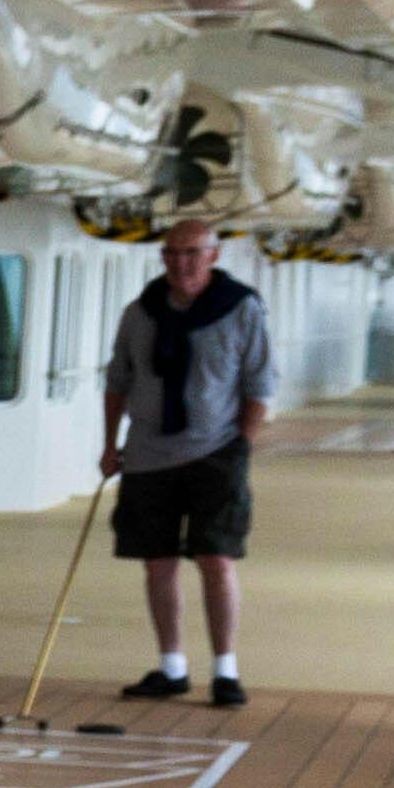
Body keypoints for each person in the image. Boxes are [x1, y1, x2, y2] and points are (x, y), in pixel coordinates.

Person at [101, 217, 275, 706]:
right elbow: (118, 381)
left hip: (215, 453)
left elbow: (260, 383)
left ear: (214, 256)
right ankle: (171, 667)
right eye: (172, 253)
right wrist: (110, 444)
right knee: (157, 563)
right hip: (148, 455)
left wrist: (241, 448)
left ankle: (225, 670)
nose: (181, 263)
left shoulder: (241, 309)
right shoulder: (140, 312)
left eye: (193, 253)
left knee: (215, 559)